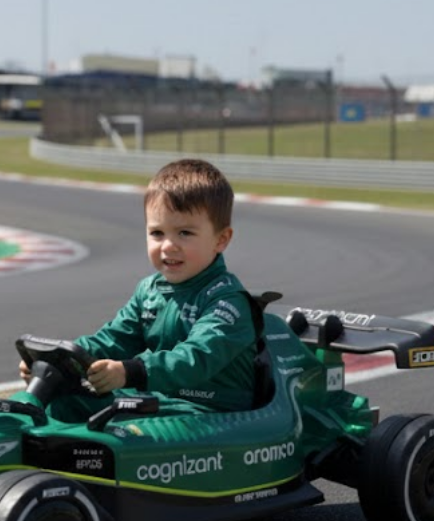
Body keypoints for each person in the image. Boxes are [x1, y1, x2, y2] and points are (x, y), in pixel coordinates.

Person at [21, 158, 262, 419]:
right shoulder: (149, 292)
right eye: (157, 233)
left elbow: (195, 358)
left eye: (185, 233)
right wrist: (57, 360)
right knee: (63, 399)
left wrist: (131, 371)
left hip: (213, 410)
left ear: (221, 239)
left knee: (118, 425)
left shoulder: (228, 301)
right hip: (165, 400)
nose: (168, 246)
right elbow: (113, 339)